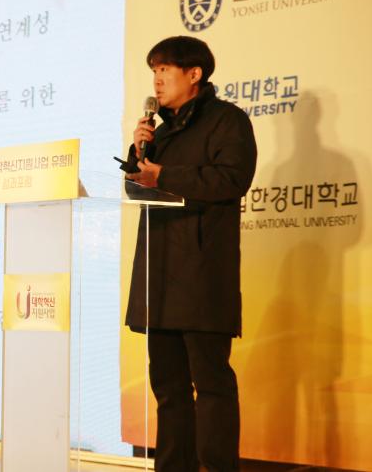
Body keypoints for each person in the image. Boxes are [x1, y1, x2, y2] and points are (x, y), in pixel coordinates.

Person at [125, 36, 257, 472]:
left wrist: (164, 173)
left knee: (212, 385)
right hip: (159, 275)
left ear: (194, 74)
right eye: (154, 71)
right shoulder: (159, 132)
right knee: (168, 389)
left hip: (203, 275)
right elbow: (136, 189)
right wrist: (137, 153)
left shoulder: (227, 121)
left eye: (165, 69)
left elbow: (231, 179)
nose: (157, 80)